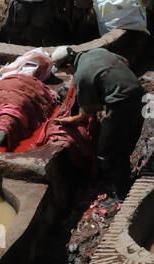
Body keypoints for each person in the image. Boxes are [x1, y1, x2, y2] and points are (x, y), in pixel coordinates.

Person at [52, 46, 145, 195]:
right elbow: (125, 62)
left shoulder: (81, 75)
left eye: (65, 71)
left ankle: (123, 193)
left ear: (69, 65)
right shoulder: (98, 52)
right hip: (140, 95)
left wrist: (70, 120)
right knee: (124, 141)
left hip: (122, 105)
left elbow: (86, 113)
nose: (67, 74)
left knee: (108, 150)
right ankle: (126, 172)